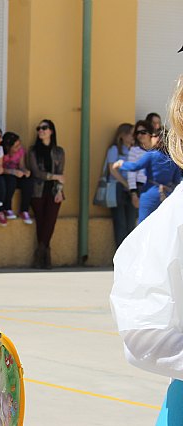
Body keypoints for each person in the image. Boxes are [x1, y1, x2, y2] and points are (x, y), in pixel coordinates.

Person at [111, 75, 183, 425]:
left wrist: (119, 168)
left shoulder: (149, 156)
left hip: (154, 194)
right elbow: (144, 331)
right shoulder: (174, 219)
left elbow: (131, 167)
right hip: (158, 195)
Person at [113, 127, 181, 223]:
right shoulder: (173, 159)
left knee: (143, 225)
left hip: (150, 194)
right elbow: (176, 180)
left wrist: (121, 164)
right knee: (161, 225)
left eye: (152, 136)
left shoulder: (151, 155)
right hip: (167, 195)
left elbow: (135, 166)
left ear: (158, 138)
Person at [29, 119, 65, 269]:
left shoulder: (59, 151)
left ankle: (41, 253)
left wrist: (60, 190)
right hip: (37, 191)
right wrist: (54, 177)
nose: (41, 131)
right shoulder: (33, 150)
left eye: (44, 128)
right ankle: (45, 258)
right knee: (41, 222)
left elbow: (61, 172)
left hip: (53, 191)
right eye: (39, 128)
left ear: (51, 131)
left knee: (50, 222)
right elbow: (36, 172)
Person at [105, 123, 137, 248]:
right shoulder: (114, 149)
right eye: (130, 133)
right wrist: (126, 184)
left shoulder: (134, 150)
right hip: (118, 188)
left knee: (131, 224)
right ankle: (121, 253)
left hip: (132, 190)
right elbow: (112, 169)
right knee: (120, 223)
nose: (133, 136)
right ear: (122, 135)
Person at [1, 131, 33, 224]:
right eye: (16, 146)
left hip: (16, 173)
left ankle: (24, 210)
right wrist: (12, 172)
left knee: (28, 181)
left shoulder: (21, 151)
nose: (19, 148)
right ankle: (7, 208)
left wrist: (25, 171)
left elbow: (21, 165)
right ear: (8, 147)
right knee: (11, 181)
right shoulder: (1, 152)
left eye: (19, 144)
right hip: (5, 174)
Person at [126, 120, 152, 209]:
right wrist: (133, 193)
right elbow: (131, 172)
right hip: (141, 188)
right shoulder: (134, 150)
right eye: (137, 133)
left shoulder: (158, 150)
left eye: (143, 132)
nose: (140, 135)